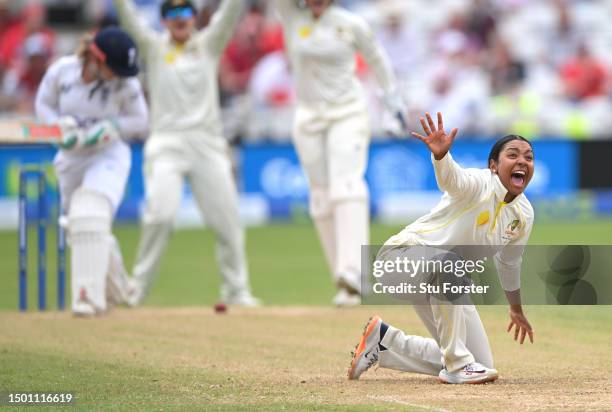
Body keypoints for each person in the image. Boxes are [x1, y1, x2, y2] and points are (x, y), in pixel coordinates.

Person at [348, 112, 535, 384]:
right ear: (493, 165)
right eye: (513, 155)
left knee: (482, 364)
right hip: (400, 260)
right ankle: (457, 366)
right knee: (452, 263)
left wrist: (516, 309)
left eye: (528, 157)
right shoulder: (479, 184)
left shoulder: (524, 214)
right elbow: (452, 180)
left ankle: (385, 342)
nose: (522, 161)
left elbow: (509, 264)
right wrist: (441, 157)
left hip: (444, 280)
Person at [113, 0, 260, 306]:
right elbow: (129, 17)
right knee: (161, 217)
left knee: (228, 221)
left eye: (185, 13)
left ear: (194, 18)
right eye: (172, 15)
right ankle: (136, 289)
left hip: (207, 144)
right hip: (166, 143)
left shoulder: (208, 44)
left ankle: (236, 290)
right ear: (164, 21)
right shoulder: (153, 47)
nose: (180, 19)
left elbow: (230, 13)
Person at [271, 0, 406, 306]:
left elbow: (378, 59)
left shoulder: (349, 22)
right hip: (308, 118)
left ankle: (355, 272)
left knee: (346, 185)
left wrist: (393, 106)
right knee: (320, 196)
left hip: (347, 112)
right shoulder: (292, 15)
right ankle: (345, 284)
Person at [35, 27, 149, 316]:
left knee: (90, 210)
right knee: (80, 226)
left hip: (108, 155)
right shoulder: (62, 72)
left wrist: (111, 127)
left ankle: (88, 298)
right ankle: (120, 285)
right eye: (114, 68)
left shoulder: (125, 83)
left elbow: (140, 121)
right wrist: (58, 127)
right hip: (71, 157)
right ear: (96, 57)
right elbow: (43, 105)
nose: (119, 75)